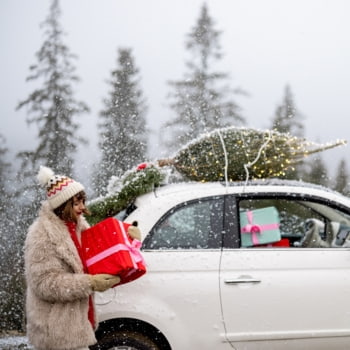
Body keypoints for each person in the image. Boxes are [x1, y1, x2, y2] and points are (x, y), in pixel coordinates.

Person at [24, 166, 140, 350]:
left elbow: (99, 249)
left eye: (83, 201)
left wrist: (126, 236)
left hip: (77, 324)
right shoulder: (41, 234)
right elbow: (45, 284)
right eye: (77, 203)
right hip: (56, 330)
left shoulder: (78, 225)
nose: (83, 208)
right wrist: (89, 283)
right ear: (62, 205)